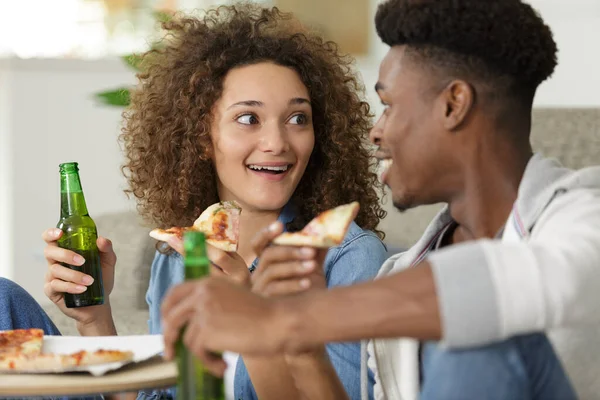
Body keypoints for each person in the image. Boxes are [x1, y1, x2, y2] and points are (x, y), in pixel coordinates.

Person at [161, 0, 600, 398]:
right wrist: (303, 344)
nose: (376, 131)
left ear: (454, 105)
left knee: (477, 339)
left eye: (389, 106)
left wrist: (290, 319)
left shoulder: (584, 212)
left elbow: (533, 280)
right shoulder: (403, 270)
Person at [37, 4, 388, 400]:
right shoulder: (179, 255)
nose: (277, 143)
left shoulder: (349, 258)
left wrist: (252, 313)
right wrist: (94, 318)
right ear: (202, 138)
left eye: (297, 119)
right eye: (248, 119)